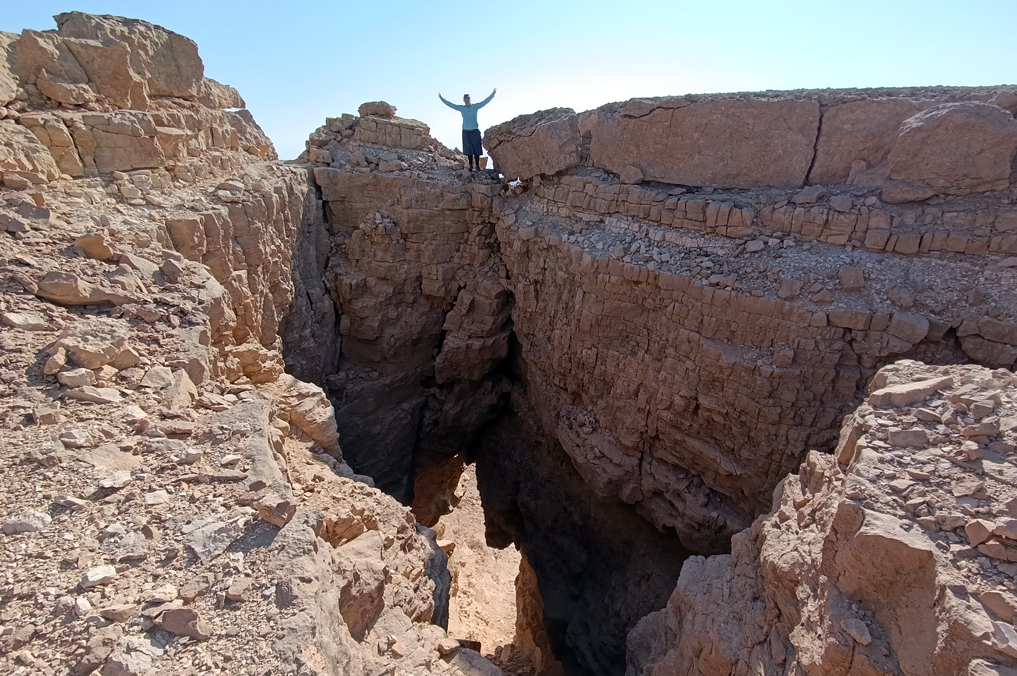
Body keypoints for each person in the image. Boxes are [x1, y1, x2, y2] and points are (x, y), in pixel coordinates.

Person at [439, 89, 496, 171]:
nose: (467, 101)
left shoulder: (475, 106)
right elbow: (451, 105)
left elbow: (484, 102)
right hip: (466, 131)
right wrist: (442, 99)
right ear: (464, 100)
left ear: (470, 100)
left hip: (475, 130)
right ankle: (470, 166)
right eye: (465, 100)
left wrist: (492, 95)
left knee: (477, 149)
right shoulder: (462, 108)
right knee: (469, 150)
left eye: (468, 99)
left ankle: (477, 166)